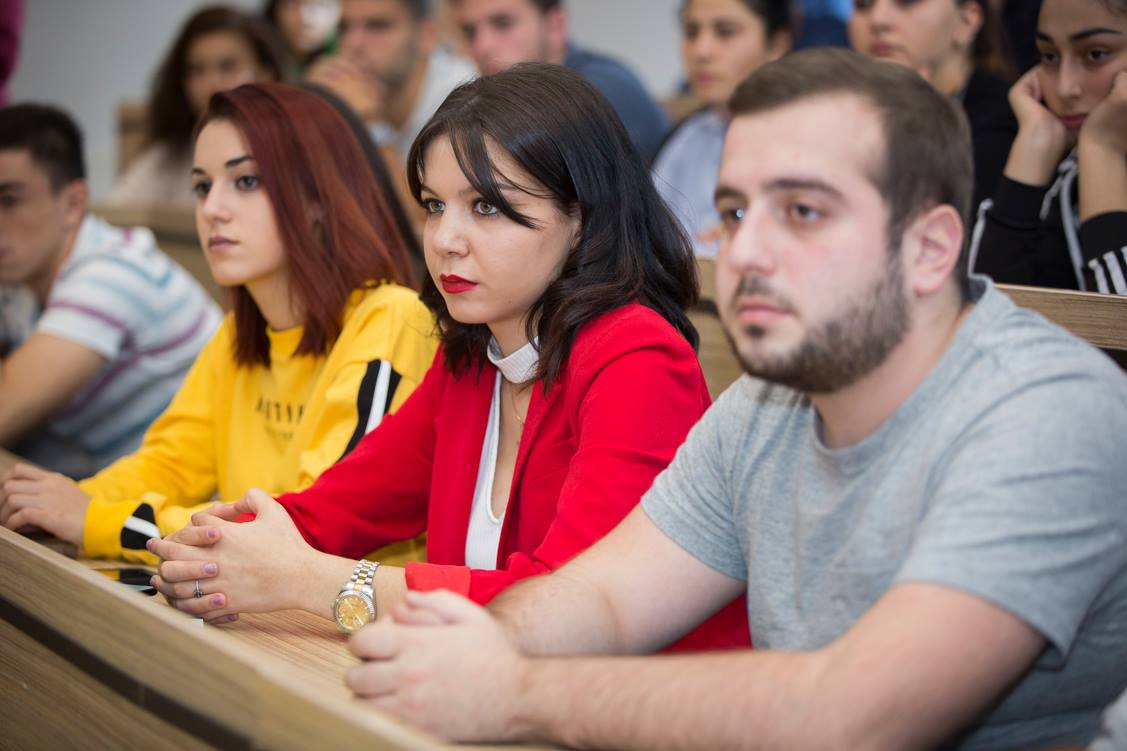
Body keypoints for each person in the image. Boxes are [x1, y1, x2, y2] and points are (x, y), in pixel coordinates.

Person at [338, 49, 1127, 750]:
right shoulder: (763, 406)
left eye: (802, 211)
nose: (743, 251)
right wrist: (462, 645)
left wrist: (512, 690)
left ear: (927, 249)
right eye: (734, 212)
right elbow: (600, 600)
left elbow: (856, 716)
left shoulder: (1046, 415)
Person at [148, 64, 748, 650]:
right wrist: (208, 550)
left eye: (485, 206)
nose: (444, 240)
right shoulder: (474, 359)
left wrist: (318, 582)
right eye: (435, 206)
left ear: (581, 218)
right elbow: (331, 511)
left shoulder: (639, 359)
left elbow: (565, 608)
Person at [0, 84, 436, 564]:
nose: (212, 209)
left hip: (344, 606)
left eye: (245, 181)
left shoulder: (392, 319)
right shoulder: (237, 335)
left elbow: (301, 532)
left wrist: (95, 519)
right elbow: (168, 465)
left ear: (317, 197)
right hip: (247, 595)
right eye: (202, 187)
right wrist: (59, 503)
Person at [0, 104, 220, 478]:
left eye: (9, 201)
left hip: (175, 497)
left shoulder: (112, 274)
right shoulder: (21, 276)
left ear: (73, 203)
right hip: (105, 487)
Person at [970, 0, 1127, 295]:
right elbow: (984, 310)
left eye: (1096, 54)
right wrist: (1034, 145)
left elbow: (1119, 321)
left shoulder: (1094, 155)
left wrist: (1103, 150)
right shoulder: (1072, 177)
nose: (1065, 88)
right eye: (1050, 56)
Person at [107, 6, 286, 209]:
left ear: (265, 74)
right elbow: (117, 212)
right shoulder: (171, 154)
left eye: (227, 67)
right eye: (197, 70)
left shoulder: (289, 147)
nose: (211, 83)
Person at [653, 0, 793, 256]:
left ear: (777, 44)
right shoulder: (686, 136)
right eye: (691, 33)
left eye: (725, 32)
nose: (701, 51)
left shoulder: (807, 145)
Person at [451, 0, 671, 163]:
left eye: (503, 24)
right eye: (470, 32)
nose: (482, 46)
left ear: (556, 25)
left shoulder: (598, 90)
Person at [849, 0, 1016, 211]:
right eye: (863, 5)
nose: (878, 20)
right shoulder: (836, 111)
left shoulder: (1010, 122)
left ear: (967, 20)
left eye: (906, 3)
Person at [308, 0, 475, 163]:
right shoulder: (339, 88)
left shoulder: (464, 97)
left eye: (377, 26)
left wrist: (371, 123)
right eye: (343, 27)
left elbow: (420, 184)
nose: (353, 43)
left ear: (426, 36)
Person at [263, 0, 341, 76]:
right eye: (292, 5)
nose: (303, 18)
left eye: (319, 5)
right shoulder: (262, 59)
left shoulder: (341, 60)